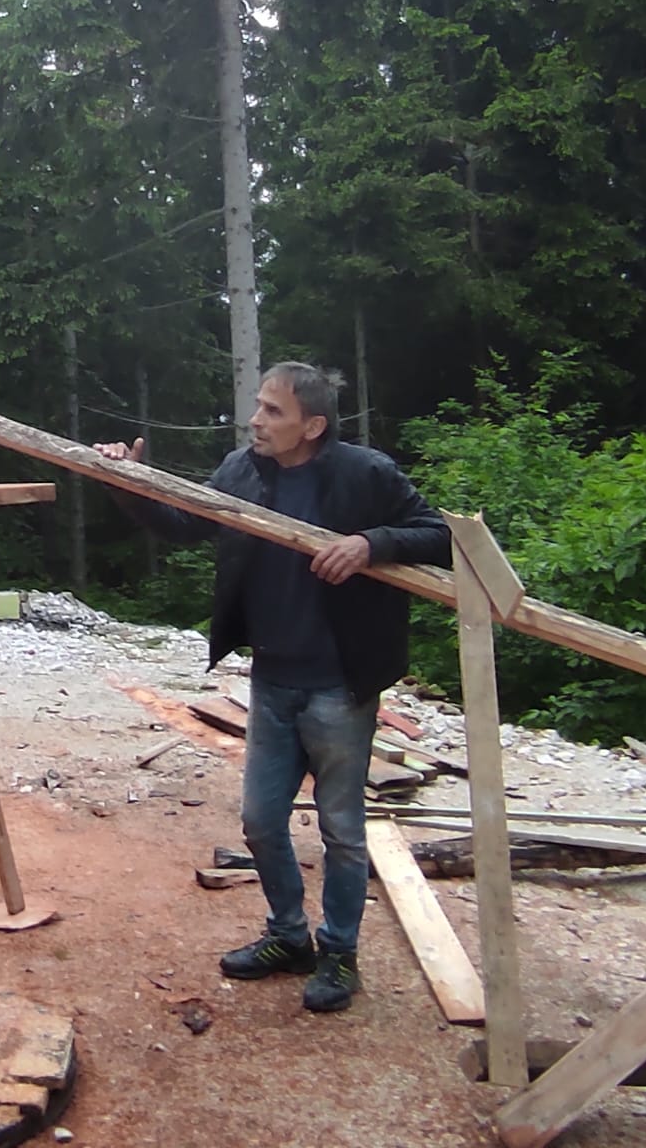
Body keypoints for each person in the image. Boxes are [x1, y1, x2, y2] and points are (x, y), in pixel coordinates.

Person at [95, 362, 450, 1014]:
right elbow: (185, 524)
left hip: (340, 685)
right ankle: (289, 936)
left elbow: (443, 536)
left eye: (272, 411)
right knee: (260, 821)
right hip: (272, 679)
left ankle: (339, 952)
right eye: (259, 406)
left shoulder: (365, 474)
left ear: (312, 426)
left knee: (342, 830)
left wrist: (372, 543)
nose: (255, 420)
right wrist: (128, 484)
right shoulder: (242, 471)